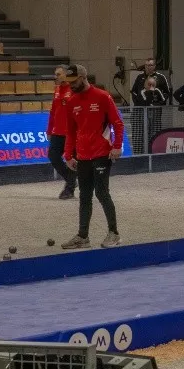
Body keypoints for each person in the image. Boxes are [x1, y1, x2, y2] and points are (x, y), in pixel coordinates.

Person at [61, 65, 125, 250]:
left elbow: (117, 123)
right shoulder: (71, 102)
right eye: (68, 82)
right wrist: (68, 155)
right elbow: (70, 131)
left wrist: (117, 146)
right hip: (83, 156)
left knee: (102, 193)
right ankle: (82, 237)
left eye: (74, 81)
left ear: (83, 77)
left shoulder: (103, 96)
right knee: (84, 196)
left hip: (101, 153)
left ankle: (114, 233)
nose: (71, 85)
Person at [47, 65, 77, 200]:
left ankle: (69, 189)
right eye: (55, 74)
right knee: (53, 156)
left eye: (58, 74)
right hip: (57, 131)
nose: (56, 77)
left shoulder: (74, 89)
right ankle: (71, 180)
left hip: (71, 132)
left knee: (71, 158)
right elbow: (53, 111)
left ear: (66, 75)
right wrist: (49, 129)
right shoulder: (57, 90)